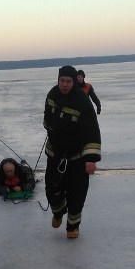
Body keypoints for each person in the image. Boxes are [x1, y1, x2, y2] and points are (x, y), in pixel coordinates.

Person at [43, 65, 101, 238]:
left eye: (68, 81)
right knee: (51, 188)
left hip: (77, 157)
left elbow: (91, 131)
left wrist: (91, 159)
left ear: (74, 81)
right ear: (58, 80)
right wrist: (52, 131)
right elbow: (46, 118)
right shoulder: (52, 95)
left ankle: (72, 226)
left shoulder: (82, 101)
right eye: (62, 81)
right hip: (55, 154)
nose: (65, 85)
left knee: (77, 193)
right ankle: (58, 212)